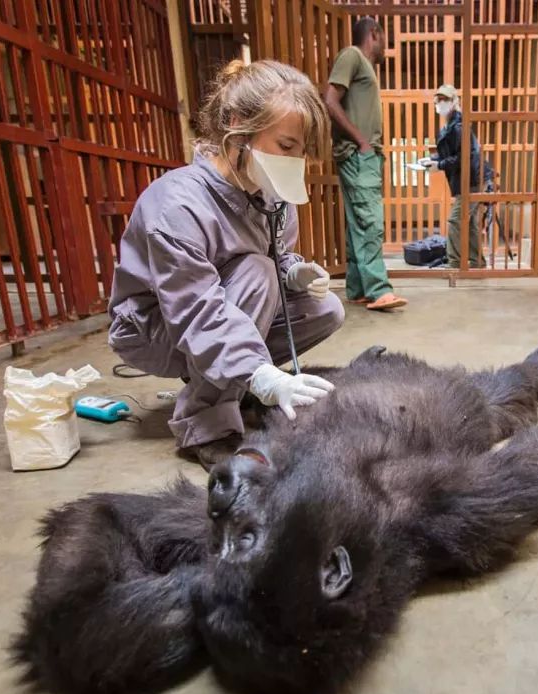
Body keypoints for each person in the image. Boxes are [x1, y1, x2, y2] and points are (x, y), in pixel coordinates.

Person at [107, 60, 345, 470]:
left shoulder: (273, 197)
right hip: (158, 328)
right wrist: (261, 373)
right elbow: (198, 310)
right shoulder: (177, 205)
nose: (294, 161)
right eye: (286, 146)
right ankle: (207, 424)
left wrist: (294, 271)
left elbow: (276, 256)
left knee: (323, 308)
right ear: (238, 124)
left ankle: (235, 377)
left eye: (301, 151)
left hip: (224, 310)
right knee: (256, 273)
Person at [324, 17, 408, 311]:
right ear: (375, 33)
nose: (386, 46)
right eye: (385, 39)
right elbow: (330, 100)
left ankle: (358, 287)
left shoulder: (362, 65)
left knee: (358, 221)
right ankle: (378, 289)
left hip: (360, 155)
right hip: (359, 154)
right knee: (370, 220)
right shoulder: (352, 56)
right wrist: (361, 141)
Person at [420, 84, 485, 269]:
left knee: (456, 220)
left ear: (455, 101)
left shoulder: (459, 126)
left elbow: (464, 156)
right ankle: (478, 261)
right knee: (470, 222)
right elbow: (451, 154)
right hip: (465, 181)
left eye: (445, 99)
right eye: (438, 100)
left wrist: (439, 164)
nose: (440, 103)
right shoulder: (448, 126)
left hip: (472, 181)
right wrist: (431, 160)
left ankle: (455, 262)